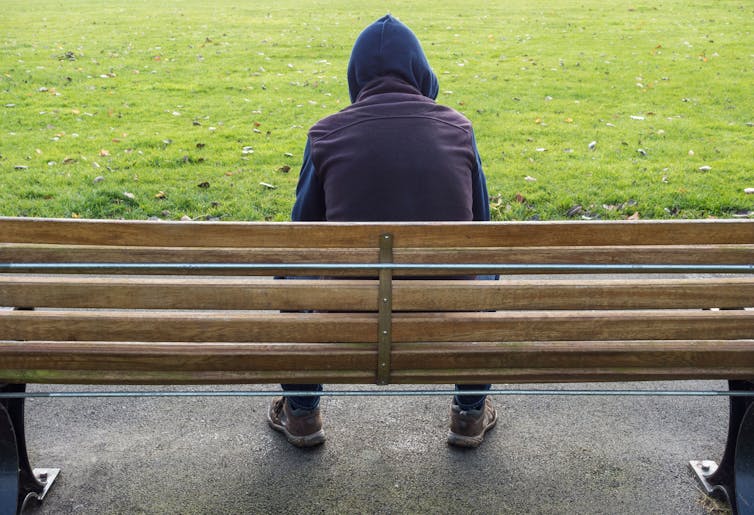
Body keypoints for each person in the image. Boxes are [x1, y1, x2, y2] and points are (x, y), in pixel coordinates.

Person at [267, 14, 496, 449]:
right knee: (487, 271)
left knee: (291, 274)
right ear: (421, 70)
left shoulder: (326, 134)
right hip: (446, 307)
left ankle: (301, 413)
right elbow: (482, 233)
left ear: (356, 75)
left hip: (349, 311)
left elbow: (302, 237)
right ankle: (468, 414)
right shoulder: (459, 130)